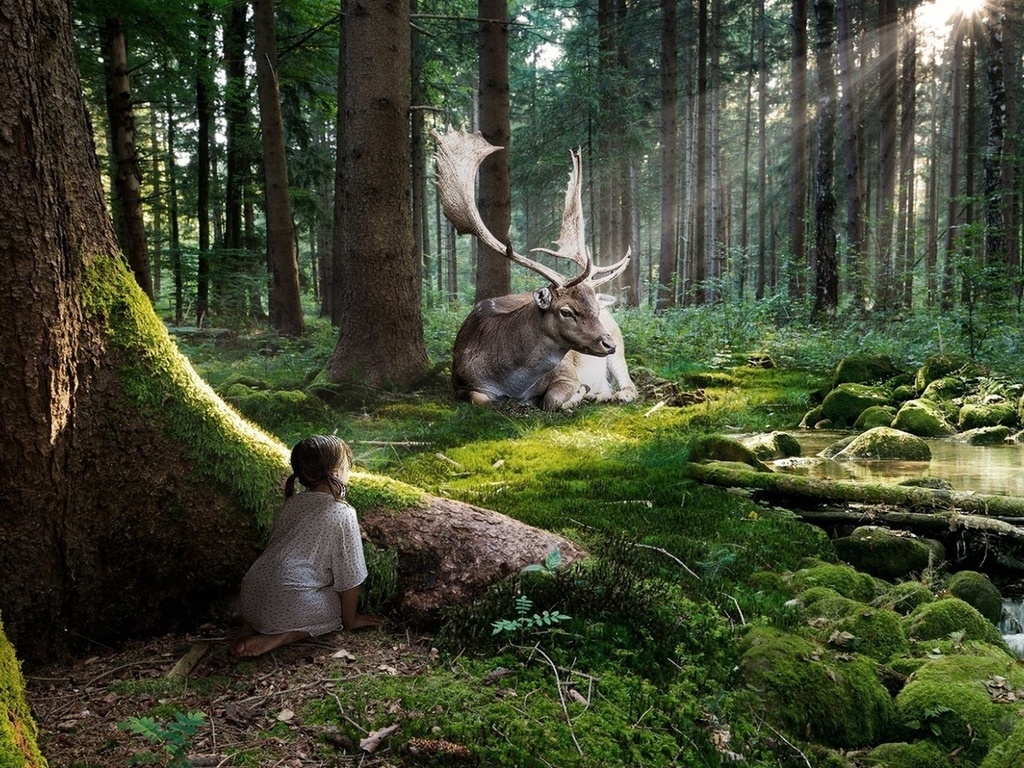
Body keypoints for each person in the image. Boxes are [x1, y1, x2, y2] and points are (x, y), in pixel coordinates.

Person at [232, 435, 383, 657]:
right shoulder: (343, 513)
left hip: (250, 592)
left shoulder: (291, 504)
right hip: (290, 601)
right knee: (334, 607)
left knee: (284, 592)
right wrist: (351, 620)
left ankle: (250, 626)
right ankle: (282, 635)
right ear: (336, 472)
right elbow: (350, 576)